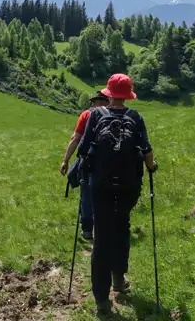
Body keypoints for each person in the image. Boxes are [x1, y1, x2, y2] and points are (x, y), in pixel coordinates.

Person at [77, 73, 158, 317]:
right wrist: (152, 167)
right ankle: (118, 279)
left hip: (100, 186)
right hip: (127, 187)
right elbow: (146, 151)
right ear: (128, 95)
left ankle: (101, 300)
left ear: (109, 94)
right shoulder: (136, 117)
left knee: (101, 238)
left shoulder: (94, 115)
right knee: (122, 228)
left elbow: (83, 150)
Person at [59, 91, 109, 240]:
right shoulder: (116, 115)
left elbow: (76, 139)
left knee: (86, 195)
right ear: (107, 101)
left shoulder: (86, 115)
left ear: (94, 102)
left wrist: (66, 160)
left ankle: (87, 229)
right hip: (110, 162)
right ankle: (105, 228)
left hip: (88, 161)